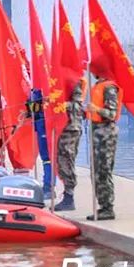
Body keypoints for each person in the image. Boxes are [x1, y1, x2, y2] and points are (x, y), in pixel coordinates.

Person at [87, 76, 121, 221]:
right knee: (96, 171)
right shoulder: (98, 85)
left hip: (106, 134)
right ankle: (103, 206)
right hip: (97, 133)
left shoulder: (109, 87)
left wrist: (95, 109)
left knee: (103, 171)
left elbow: (111, 114)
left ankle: (108, 208)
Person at [55, 80, 87, 211]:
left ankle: (69, 196)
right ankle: (66, 194)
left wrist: (62, 105)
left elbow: (78, 106)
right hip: (62, 126)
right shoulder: (58, 77)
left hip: (71, 127)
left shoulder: (75, 80)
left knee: (67, 160)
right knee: (60, 160)